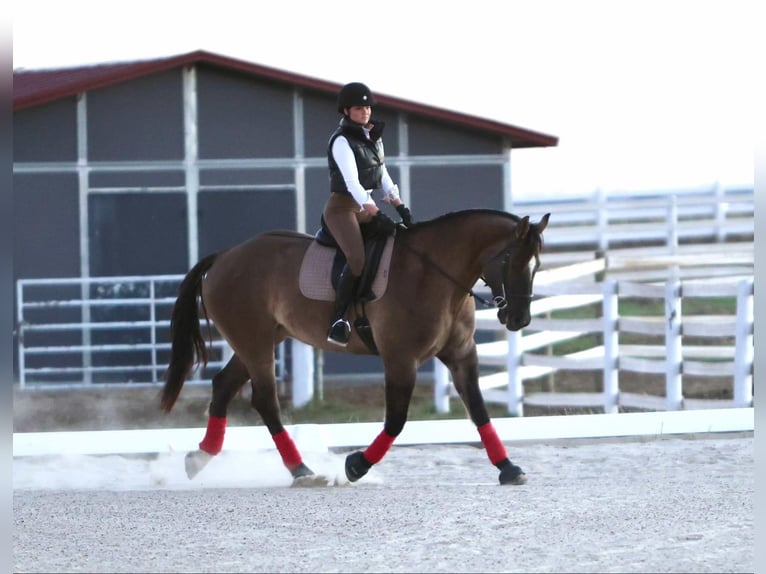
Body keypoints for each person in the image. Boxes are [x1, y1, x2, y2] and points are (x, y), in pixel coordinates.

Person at [323, 81, 414, 347]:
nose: (365, 112)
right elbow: (352, 183)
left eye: (367, 107)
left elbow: (381, 172)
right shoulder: (341, 141)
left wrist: (398, 204)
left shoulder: (373, 137)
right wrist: (373, 209)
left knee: (397, 241)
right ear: (346, 111)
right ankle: (338, 320)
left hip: (364, 205)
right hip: (342, 208)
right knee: (357, 259)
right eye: (359, 108)